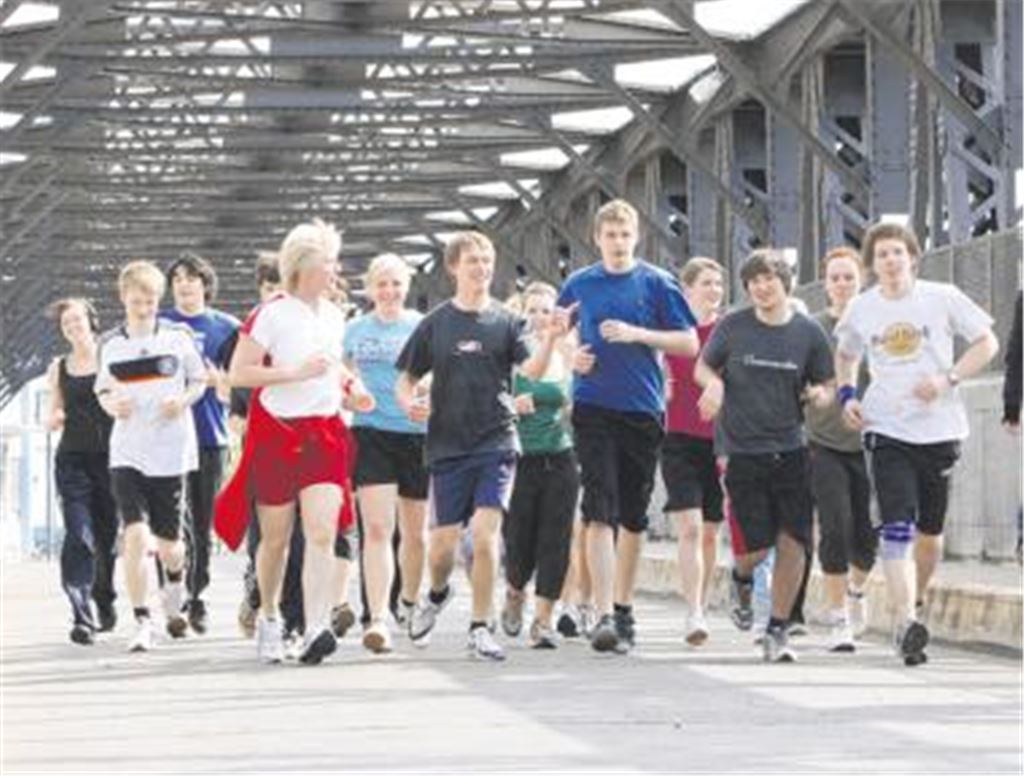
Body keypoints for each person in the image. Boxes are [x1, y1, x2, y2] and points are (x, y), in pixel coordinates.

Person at [396, 231, 570, 661]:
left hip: (496, 440)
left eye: (488, 260)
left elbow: (532, 367)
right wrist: (408, 404)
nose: (482, 268)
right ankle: (437, 594)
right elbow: (406, 379)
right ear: (454, 267)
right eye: (472, 260)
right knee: (441, 549)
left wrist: (549, 338)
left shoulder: (505, 322)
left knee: (485, 535)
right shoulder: (435, 323)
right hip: (448, 445)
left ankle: (479, 627)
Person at [835, 222, 999, 666]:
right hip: (886, 427)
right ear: (872, 265)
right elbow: (847, 354)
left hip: (941, 428)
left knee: (930, 534)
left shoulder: (941, 296)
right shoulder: (862, 309)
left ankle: (917, 601)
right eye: (882, 255)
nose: (890, 261)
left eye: (897, 253)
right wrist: (847, 395)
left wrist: (948, 378)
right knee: (896, 525)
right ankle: (905, 620)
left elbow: (987, 342)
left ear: (912, 257)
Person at [227, 219, 374, 665]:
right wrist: (292, 374)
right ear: (303, 265)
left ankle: (315, 626)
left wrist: (353, 387)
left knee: (322, 531)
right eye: (328, 262)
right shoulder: (271, 313)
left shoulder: (334, 316)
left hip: (325, 430)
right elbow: (240, 372)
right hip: (278, 430)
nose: (335, 270)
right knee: (275, 538)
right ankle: (269, 614)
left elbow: (332, 366)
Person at [556, 199, 698, 654]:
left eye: (624, 235)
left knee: (633, 517)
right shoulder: (580, 284)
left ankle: (622, 606)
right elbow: (556, 333)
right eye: (609, 235)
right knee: (599, 507)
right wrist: (569, 357)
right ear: (596, 239)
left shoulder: (656, 283)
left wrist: (640, 335)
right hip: (593, 403)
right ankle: (600, 613)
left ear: (636, 237)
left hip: (641, 407)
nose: (617, 243)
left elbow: (689, 342)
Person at [696, 249, 835, 663]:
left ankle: (778, 628)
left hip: (790, 447)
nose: (760, 286)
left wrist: (820, 396)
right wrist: (714, 385)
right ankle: (740, 577)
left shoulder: (808, 333)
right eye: (753, 280)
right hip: (742, 450)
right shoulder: (733, 326)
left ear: (785, 281)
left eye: (768, 278)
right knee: (754, 548)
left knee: (794, 537)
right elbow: (703, 368)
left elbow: (826, 383)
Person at [95, 261, 207, 652]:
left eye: (151, 301)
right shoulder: (111, 345)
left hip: (170, 451)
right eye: (137, 301)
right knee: (135, 536)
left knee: (169, 545)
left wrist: (184, 400)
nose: (144, 308)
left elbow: (200, 379)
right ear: (123, 298)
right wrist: (113, 405)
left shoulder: (178, 338)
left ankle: (175, 583)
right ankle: (143, 619)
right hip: (127, 452)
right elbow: (102, 391)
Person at [342, 253, 429, 654]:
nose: (389, 291)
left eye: (396, 283)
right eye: (382, 284)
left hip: (417, 434)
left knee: (414, 533)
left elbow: (440, 372)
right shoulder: (354, 329)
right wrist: (350, 392)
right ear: (369, 288)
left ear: (407, 286)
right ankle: (376, 617)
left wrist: (430, 397)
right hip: (371, 431)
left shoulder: (422, 326)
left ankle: (407, 603)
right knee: (376, 529)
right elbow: (338, 371)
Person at [160, 252, 240, 634]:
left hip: (210, 435)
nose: (184, 284)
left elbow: (243, 379)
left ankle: (199, 595)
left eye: (192, 277)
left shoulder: (227, 327)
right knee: (173, 521)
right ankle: (174, 589)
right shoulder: (159, 326)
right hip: (165, 437)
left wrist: (218, 381)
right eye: (177, 278)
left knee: (202, 518)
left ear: (205, 284)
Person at [500, 281, 580, 649]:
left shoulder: (568, 351)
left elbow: (576, 402)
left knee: (556, 538)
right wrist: (510, 404)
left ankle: (543, 619)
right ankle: (515, 590)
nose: (538, 317)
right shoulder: (511, 351)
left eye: (545, 310)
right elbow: (490, 393)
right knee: (519, 541)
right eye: (531, 310)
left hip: (560, 454)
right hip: (519, 457)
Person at [805, 247, 876, 651]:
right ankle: (836, 618)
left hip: (874, 441)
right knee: (835, 525)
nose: (842, 284)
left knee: (867, 535)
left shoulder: (877, 322)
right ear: (825, 283)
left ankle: (856, 591)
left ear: (861, 279)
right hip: (824, 441)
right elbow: (796, 378)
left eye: (849, 277)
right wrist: (812, 393)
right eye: (835, 278)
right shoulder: (813, 329)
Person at [661, 257, 726, 646]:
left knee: (710, 532)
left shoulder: (728, 332)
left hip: (719, 440)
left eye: (718, 284)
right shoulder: (672, 334)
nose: (714, 290)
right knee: (690, 526)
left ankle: (701, 602)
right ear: (687, 290)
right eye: (706, 283)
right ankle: (693, 612)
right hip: (677, 437)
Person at [46, 298, 118, 645]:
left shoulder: (111, 357)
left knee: (105, 537)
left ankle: (104, 599)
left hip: (111, 460)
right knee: (80, 535)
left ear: (91, 320)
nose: (72, 327)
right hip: (72, 460)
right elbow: (54, 408)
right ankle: (81, 616)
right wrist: (54, 418)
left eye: (77, 320)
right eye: (65, 324)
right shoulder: (58, 367)